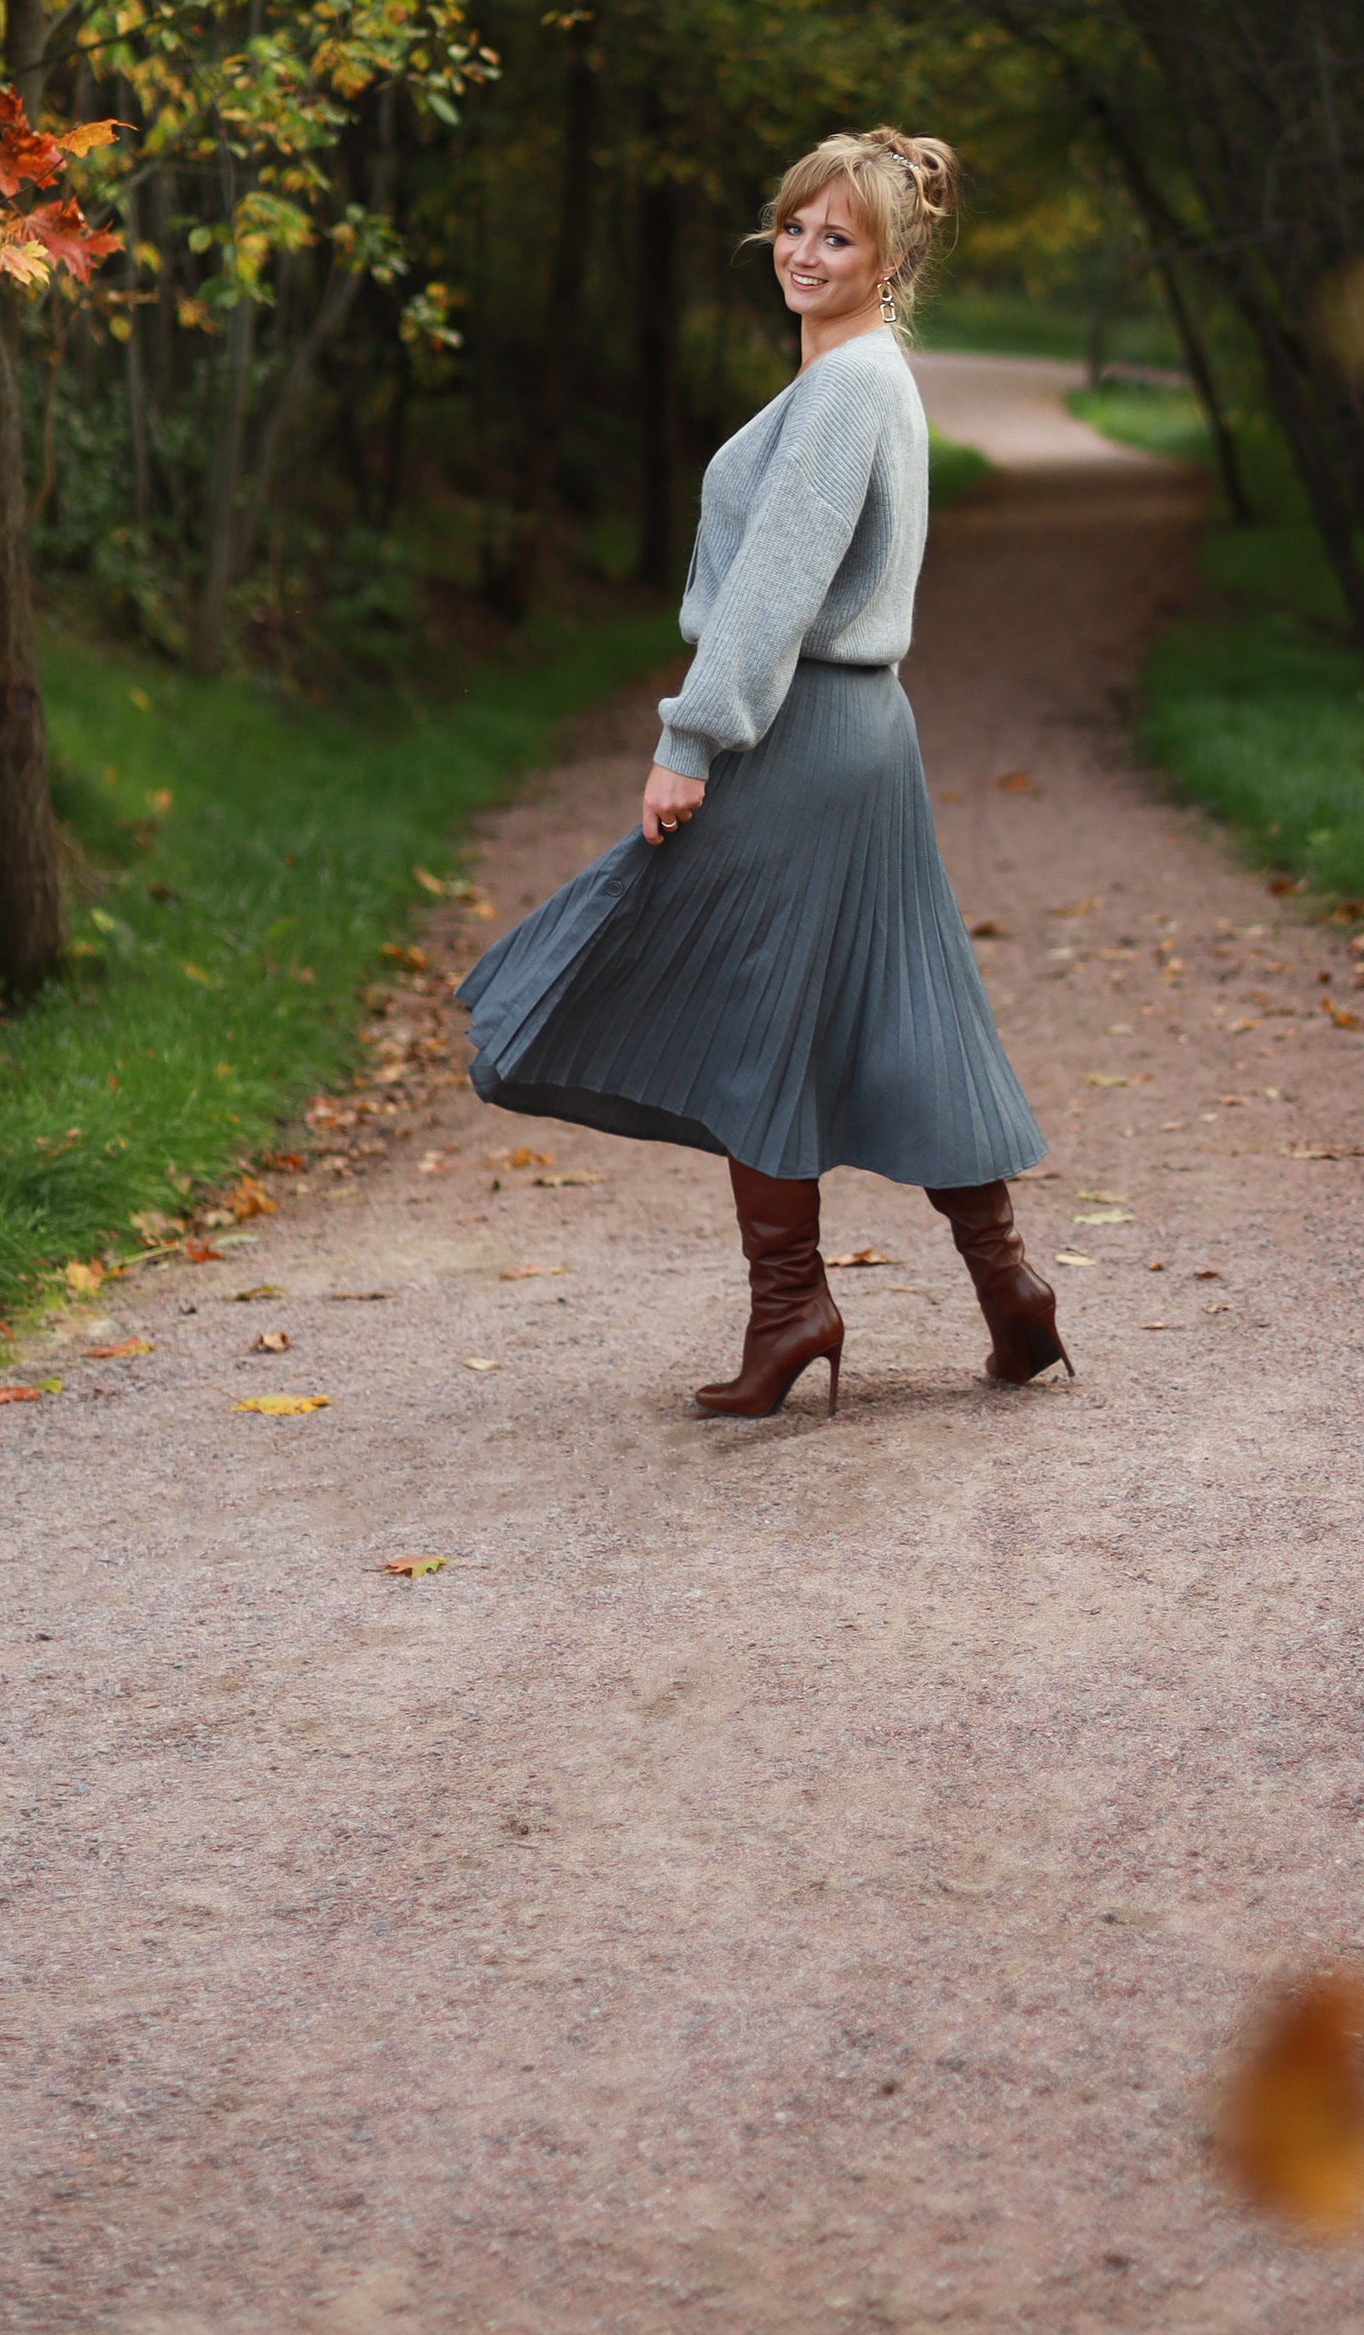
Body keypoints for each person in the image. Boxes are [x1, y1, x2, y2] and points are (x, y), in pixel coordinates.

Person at [454, 126, 1068, 1418]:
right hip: (866, 732)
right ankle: (1010, 1289)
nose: (804, 251)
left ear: (887, 258)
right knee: (903, 1005)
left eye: (837, 237)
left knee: (747, 1009)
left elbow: (775, 592)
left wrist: (691, 739)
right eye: (795, 226)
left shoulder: (848, 386)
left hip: (801, 732)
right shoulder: (868, 376)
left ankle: (794, 1306)